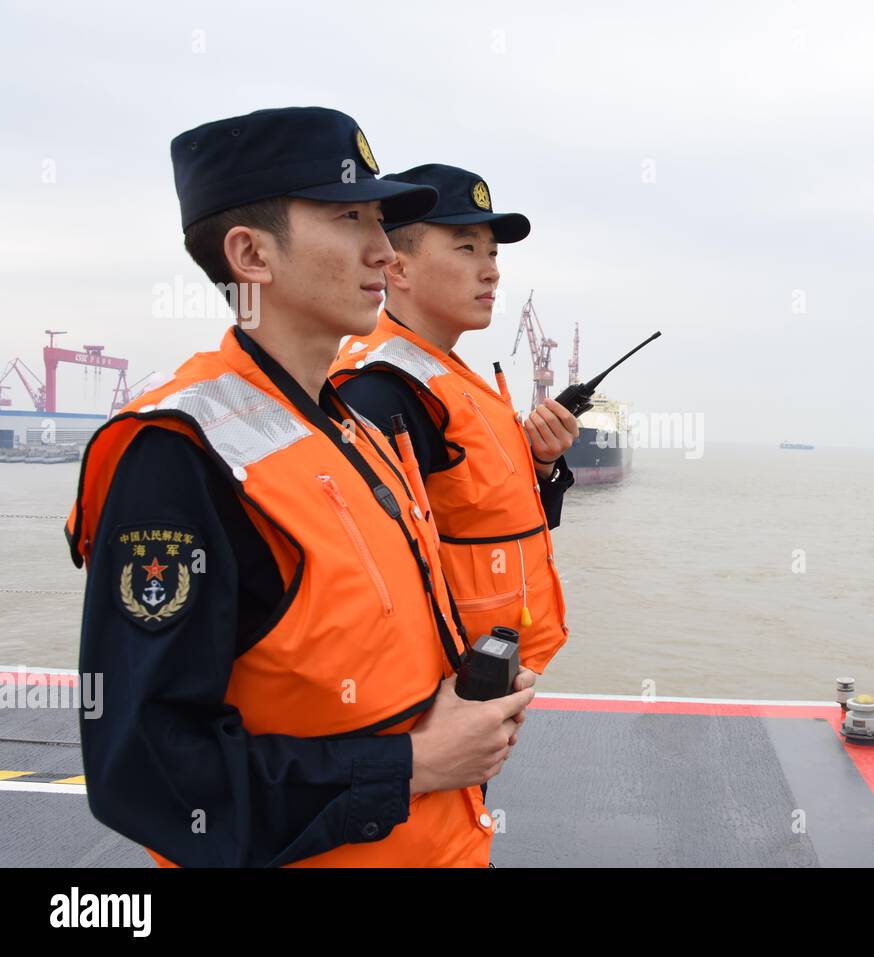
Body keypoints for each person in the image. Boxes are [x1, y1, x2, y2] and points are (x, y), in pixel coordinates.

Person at [65, 108, 533, 867]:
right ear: (250, 254)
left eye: (380, 220)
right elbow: (146, 772)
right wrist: (415, 764)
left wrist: (467, 700)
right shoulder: (181, 457)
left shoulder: (352, 429)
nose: (384, 250)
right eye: (351, 217)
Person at [331, 163, 577, 678]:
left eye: (492, 252)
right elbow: (366, 579)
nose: (491, 270)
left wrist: (543, 465)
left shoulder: (450, 375)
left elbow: (486, 519)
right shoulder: (381, 390)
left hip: (494, 666)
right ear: (396, 267)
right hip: (445, 684)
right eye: (466, 249)